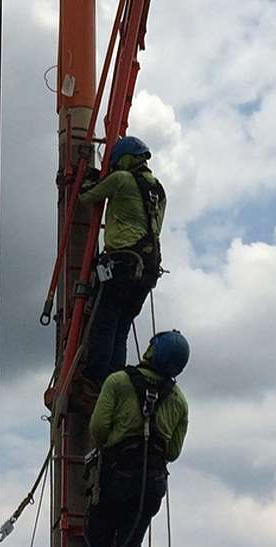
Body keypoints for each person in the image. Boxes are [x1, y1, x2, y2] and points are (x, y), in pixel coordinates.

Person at [69, 330, 189, 547]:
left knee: (97, 540)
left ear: (153, 351)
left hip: (116, 478)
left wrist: (115, 442)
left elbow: (97, 428)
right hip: (150, 488)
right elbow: (174, 451)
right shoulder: (178, 401)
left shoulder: (119, 382)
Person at [74, 136, 167, 407]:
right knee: (121, 328)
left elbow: (85, 196)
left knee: (104, 323)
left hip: (122, 264)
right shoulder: (159, 190)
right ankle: (113, 381)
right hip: (147, 271)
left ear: (124, 159)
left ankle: (95, 381)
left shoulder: (122, 179)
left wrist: (90, 177)